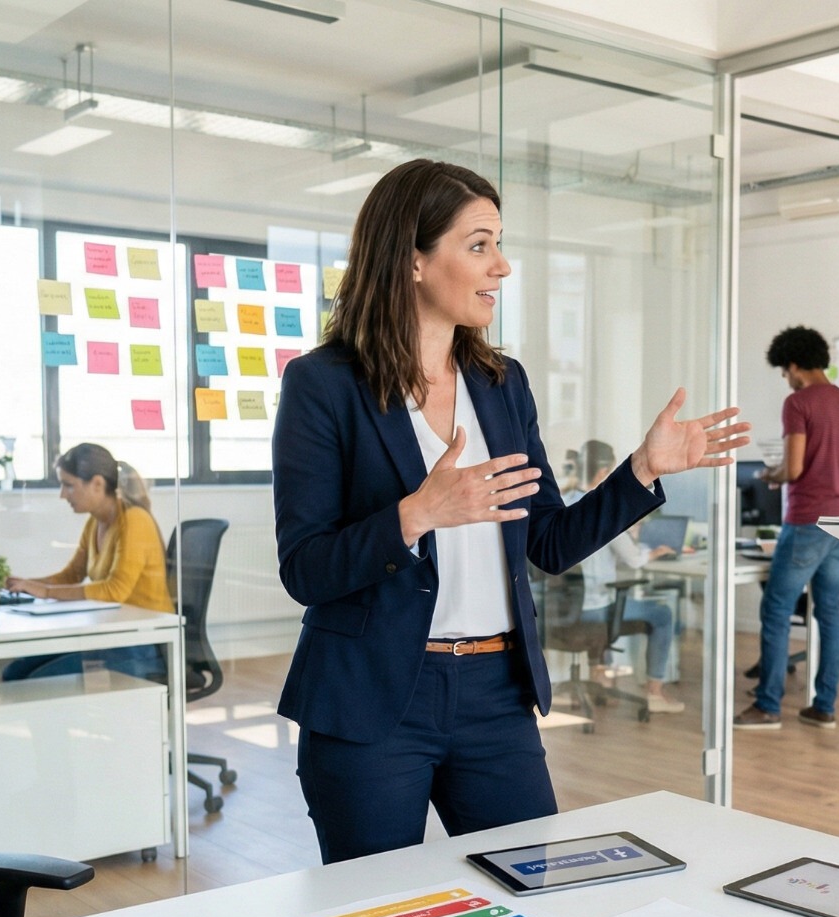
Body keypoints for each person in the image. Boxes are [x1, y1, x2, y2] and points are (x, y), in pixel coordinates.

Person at [273, 158, 747, 864]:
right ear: (412, 260)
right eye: (479, 245)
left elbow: (547, 541)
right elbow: (305, 568)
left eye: (499, 243)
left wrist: (641, 470)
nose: (502, 266)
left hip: (495, 693)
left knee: (532, 886)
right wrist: (416, 514)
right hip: (371, 698)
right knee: (379, 910)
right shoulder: (323, 384)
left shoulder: (501, 383)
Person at [734, 325, 839, 731]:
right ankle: (823, 706)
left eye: (783, 371)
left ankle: (768, 705)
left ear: (793, 365)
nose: (785, 378)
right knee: (829, 613)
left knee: (775, 609)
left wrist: (770, 474)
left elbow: (792, 469)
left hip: (808, 520)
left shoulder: (798, 403)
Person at [2, 443, 172, 681]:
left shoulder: (134, 520)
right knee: (15, 673)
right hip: (112, 635)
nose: (62, 495)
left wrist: (45, 591)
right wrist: (23, 584)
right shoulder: (95, 522)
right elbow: (71, 575)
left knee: (37, 680)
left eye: (69, 485)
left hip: (143, 644)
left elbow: (115, 591)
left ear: (97, 484)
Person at [573, 440, 684, 714]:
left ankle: (600, 677)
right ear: (603, 473)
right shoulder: (602, 507)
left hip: (560, 611)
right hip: (596, 610)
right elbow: (634, 559)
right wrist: (655, 552)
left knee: (608, 602)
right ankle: (654, 692)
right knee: (662, 614)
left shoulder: (562, 502)